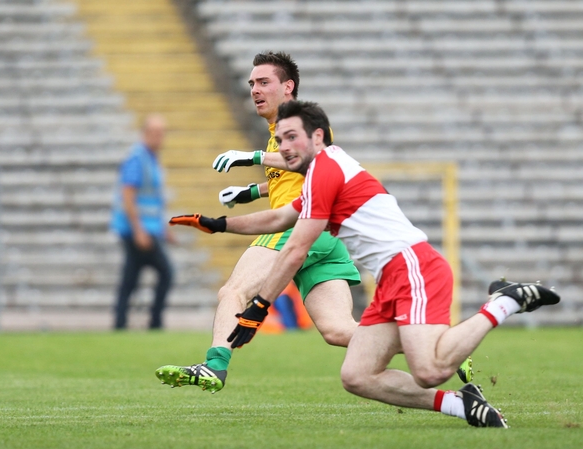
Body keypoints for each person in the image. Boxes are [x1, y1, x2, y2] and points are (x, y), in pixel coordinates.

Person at [170, 100, 561, 427]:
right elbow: (277, 219)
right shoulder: (322, 173)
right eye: (281, 138)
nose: (285, 147)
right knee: (357, 376)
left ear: (317, 137)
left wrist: (258, 306)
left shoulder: (326, 168)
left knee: (429, 369)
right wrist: (219, 224)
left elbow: (294, 248)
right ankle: (463, 403)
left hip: (413, 267)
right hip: (392, 279)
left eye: (292, 138)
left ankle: (503, 302)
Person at [155, 51, 362, 392]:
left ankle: (214, 365)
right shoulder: (278, 132)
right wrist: (250, 192)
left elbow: (308, 158)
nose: (254, 89)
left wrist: (249, 157)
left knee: (233, 291)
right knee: (338, 330)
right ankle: (434, 342)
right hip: (325, 235)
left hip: (298, 228)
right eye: (252, 83)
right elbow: (295, 177)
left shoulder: (304, 120)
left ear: (288, 87)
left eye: (264, 82)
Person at [110, 114, 174, 330]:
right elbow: (128, 195)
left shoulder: (150, 158)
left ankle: (120, 323)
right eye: (155, 133)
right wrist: (138, 230)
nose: (159, 138)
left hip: (148, 228)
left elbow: (154, 200)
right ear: (145, 134)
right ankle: (154, 322)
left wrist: (164, 228)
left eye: (161, 134)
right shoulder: (137, 158)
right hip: (137, 230)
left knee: (131, 278)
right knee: (166, 272)